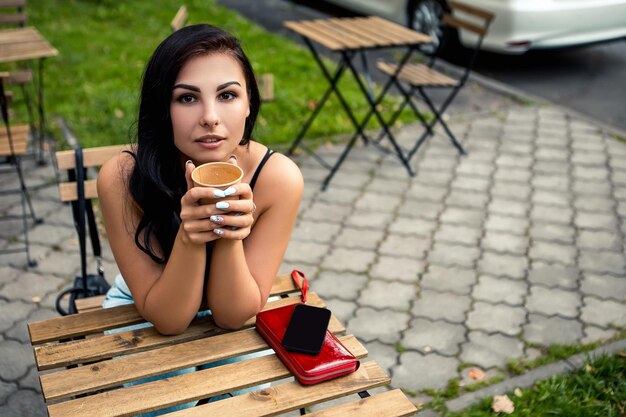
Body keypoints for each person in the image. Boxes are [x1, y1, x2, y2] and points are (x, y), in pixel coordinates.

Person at [97, 24, 303, 413]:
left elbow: (232, 315)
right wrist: (191, 237)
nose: (210, 117)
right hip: (147, 302)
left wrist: (228, 230)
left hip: (237, 303)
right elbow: (168, 320)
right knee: (162, 404)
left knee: (253, 403)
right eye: (187, 97)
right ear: (163, 107)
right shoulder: (122, 178)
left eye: (227, 95)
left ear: (248, 104)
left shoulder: (278, 179)